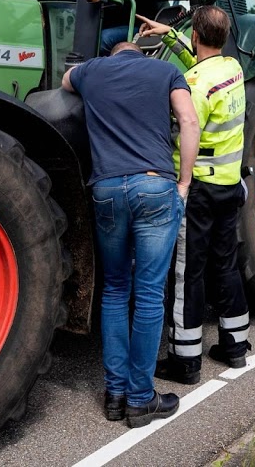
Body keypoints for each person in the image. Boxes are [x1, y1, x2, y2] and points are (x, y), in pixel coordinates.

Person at [62, 41, 200, 428]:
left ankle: (115, 394)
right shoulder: (165, 71)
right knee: (149, 294)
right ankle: (141, 399)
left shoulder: (93, 70)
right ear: (142, 53)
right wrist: (184, 183)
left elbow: (65, 81)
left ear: (114, 55)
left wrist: (91, 72)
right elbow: (188, 122)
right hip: (155, 187)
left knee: (114, 290)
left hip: (106, 190)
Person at [137, 6, 251, 385]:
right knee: (226, 264)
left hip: (199, 188)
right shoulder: (233, 69)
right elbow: (201, 59)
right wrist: (170, 33)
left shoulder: (194, 86)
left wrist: (181, 182)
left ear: (198, 37)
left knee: (188, 273)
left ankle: (186, 361)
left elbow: (188, 130)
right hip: (230, 185)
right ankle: (235, 346)